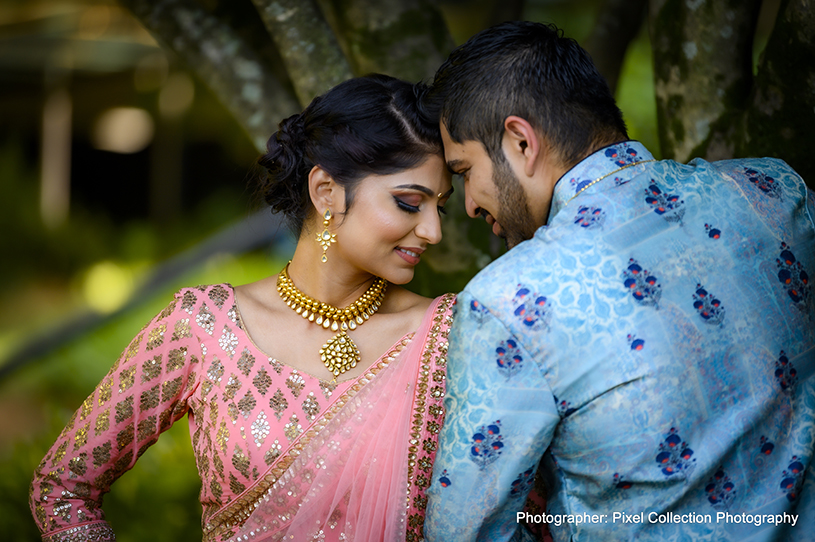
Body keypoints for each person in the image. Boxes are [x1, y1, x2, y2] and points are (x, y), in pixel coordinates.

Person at [420, 21, 815, 542]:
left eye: (465, 169)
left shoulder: (509, 301)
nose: (469, 203)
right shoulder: (776, 194)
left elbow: (464, 532)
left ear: (520, 141)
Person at [30, 74, 456, 542]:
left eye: (441, 208)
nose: (433, 231)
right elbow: (62, 488)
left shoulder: (443, 335)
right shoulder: (204, 324)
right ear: (326, 193)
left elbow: (524, 515)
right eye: (409, 203)